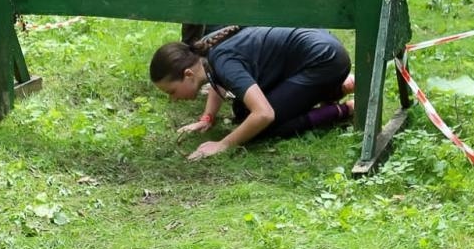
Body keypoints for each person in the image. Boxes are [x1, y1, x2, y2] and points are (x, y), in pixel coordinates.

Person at [150, 27, 355, 161]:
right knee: (241, 110)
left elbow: (264, 114)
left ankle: (342, 109)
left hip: (324, 61)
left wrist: (222, 145)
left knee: (260, 128)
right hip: (320, 50)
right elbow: (218, 83)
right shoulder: (205, 54)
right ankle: (336, 88)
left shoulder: (222, 62)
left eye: (172, 91)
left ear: (188, 74)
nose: (173, 99)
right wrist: (207, 118)